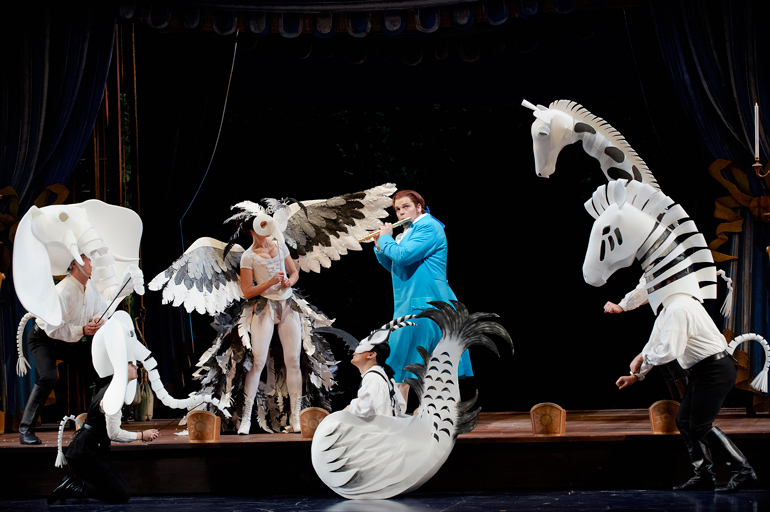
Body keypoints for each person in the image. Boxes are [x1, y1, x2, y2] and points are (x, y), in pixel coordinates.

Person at [615, 293, 758, 492]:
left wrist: (642, 357)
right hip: (703, 371)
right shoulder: (666, 311)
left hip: (715, 369)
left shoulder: (678, 307)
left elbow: (669, 352)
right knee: (684, 421)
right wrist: (636, 376)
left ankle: (744, 472)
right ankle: (704, 476)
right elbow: (655, 345)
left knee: (700, 426)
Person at [372, 190, 472, 403]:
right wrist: (380, 246)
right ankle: (406, 417)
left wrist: (387, 238)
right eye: (397, 209)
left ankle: (409, 418)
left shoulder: (428, 226)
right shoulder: (408, 232)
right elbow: (394, 265)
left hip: (426, 303)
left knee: (404, 362)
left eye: (405, 207)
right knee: (410, 365)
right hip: (411, 302)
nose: (400, 213)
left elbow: (403, 255)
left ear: (419, 207)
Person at [48, 334, 160, 504]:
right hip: (84, 455)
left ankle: (76, 484)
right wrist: (142, 435)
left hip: (94, 452)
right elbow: (114, 433)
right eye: (131, 363)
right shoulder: (112, 393)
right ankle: (74, 488)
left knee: (122, 490)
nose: (136, 366)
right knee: (121, 495)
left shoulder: (114, 388)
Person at [19, 255, 108, 445]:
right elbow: (52, 329)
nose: (92, 261)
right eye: (87, 258)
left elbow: (99, 309)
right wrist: (82, 330)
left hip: (69, 340)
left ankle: (92, 425)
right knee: (49, 376)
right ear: (75, 263)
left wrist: (98, 320)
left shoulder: (91, 286)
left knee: (101, 373)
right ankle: (25, 429)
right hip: (44, 338)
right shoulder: (63, 291)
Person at [237, 215, 304, 434]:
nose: (266, 229)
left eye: (267, 224)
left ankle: (296, 417)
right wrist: (271, 282)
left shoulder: (280, 245)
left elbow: (294, 273)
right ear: (251, 231)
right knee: (258, 362)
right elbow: (247, 291)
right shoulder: (248, 257)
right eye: (261, 226)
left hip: (287, 306)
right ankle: (246, 418)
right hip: (265, 308)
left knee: (293, 360)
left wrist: (288, 281)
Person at [346, 336, 406, 418]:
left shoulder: (374, 378)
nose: (354, 352)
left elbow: (367, 408)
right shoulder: (382, 376)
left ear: (371, 354)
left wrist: (347, 409)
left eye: (359, 348)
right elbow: (401, 406)